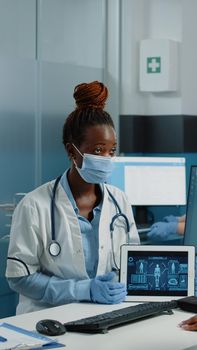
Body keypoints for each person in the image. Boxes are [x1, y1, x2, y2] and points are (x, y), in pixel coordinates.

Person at [6, 81, 140, 314]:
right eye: (98, 150)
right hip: (48, 321)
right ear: (71, 151)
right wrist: (83, 290)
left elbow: (133, 262)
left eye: (112, 150)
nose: (107, 158)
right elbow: (20, 278)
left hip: (105, 316)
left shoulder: (119, 201)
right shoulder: (35, 205)